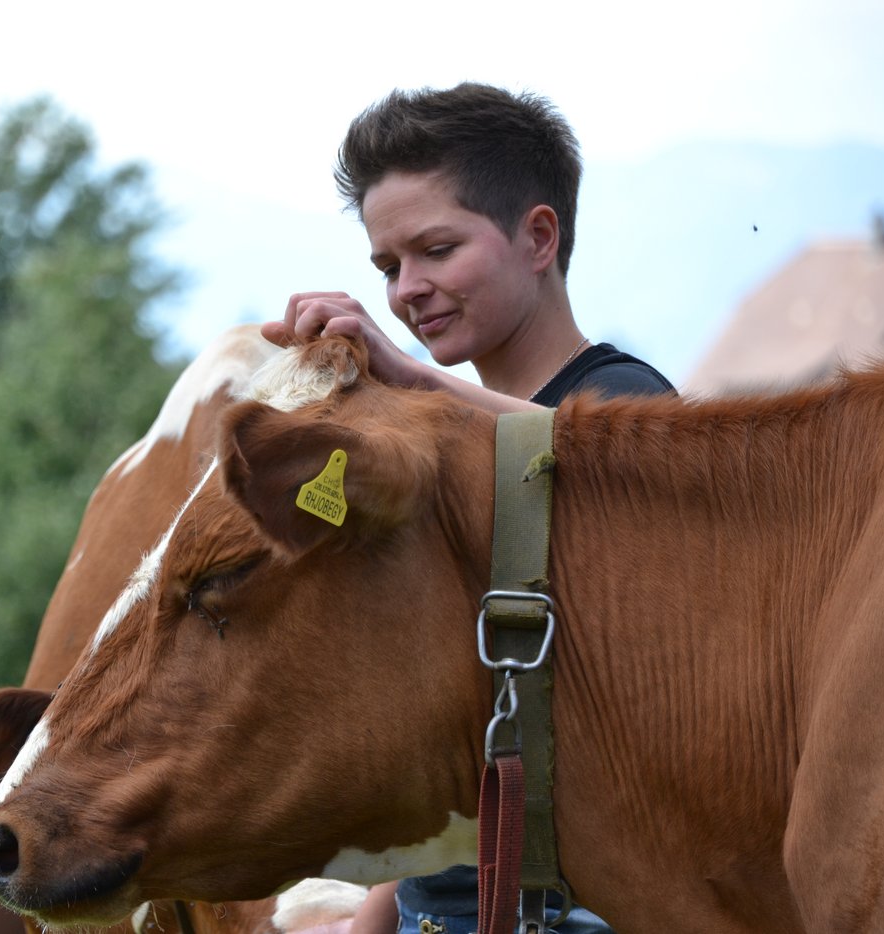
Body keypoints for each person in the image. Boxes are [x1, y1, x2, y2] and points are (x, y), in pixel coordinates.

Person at [261, 83, 675, 934]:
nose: (409, 290)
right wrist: (370, 922)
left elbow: (593, 454)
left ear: (538, 236)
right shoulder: (443, 430)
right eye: (387, 267)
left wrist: (407, 379)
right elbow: (456, 732)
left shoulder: (627, 408)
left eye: (437, 249)